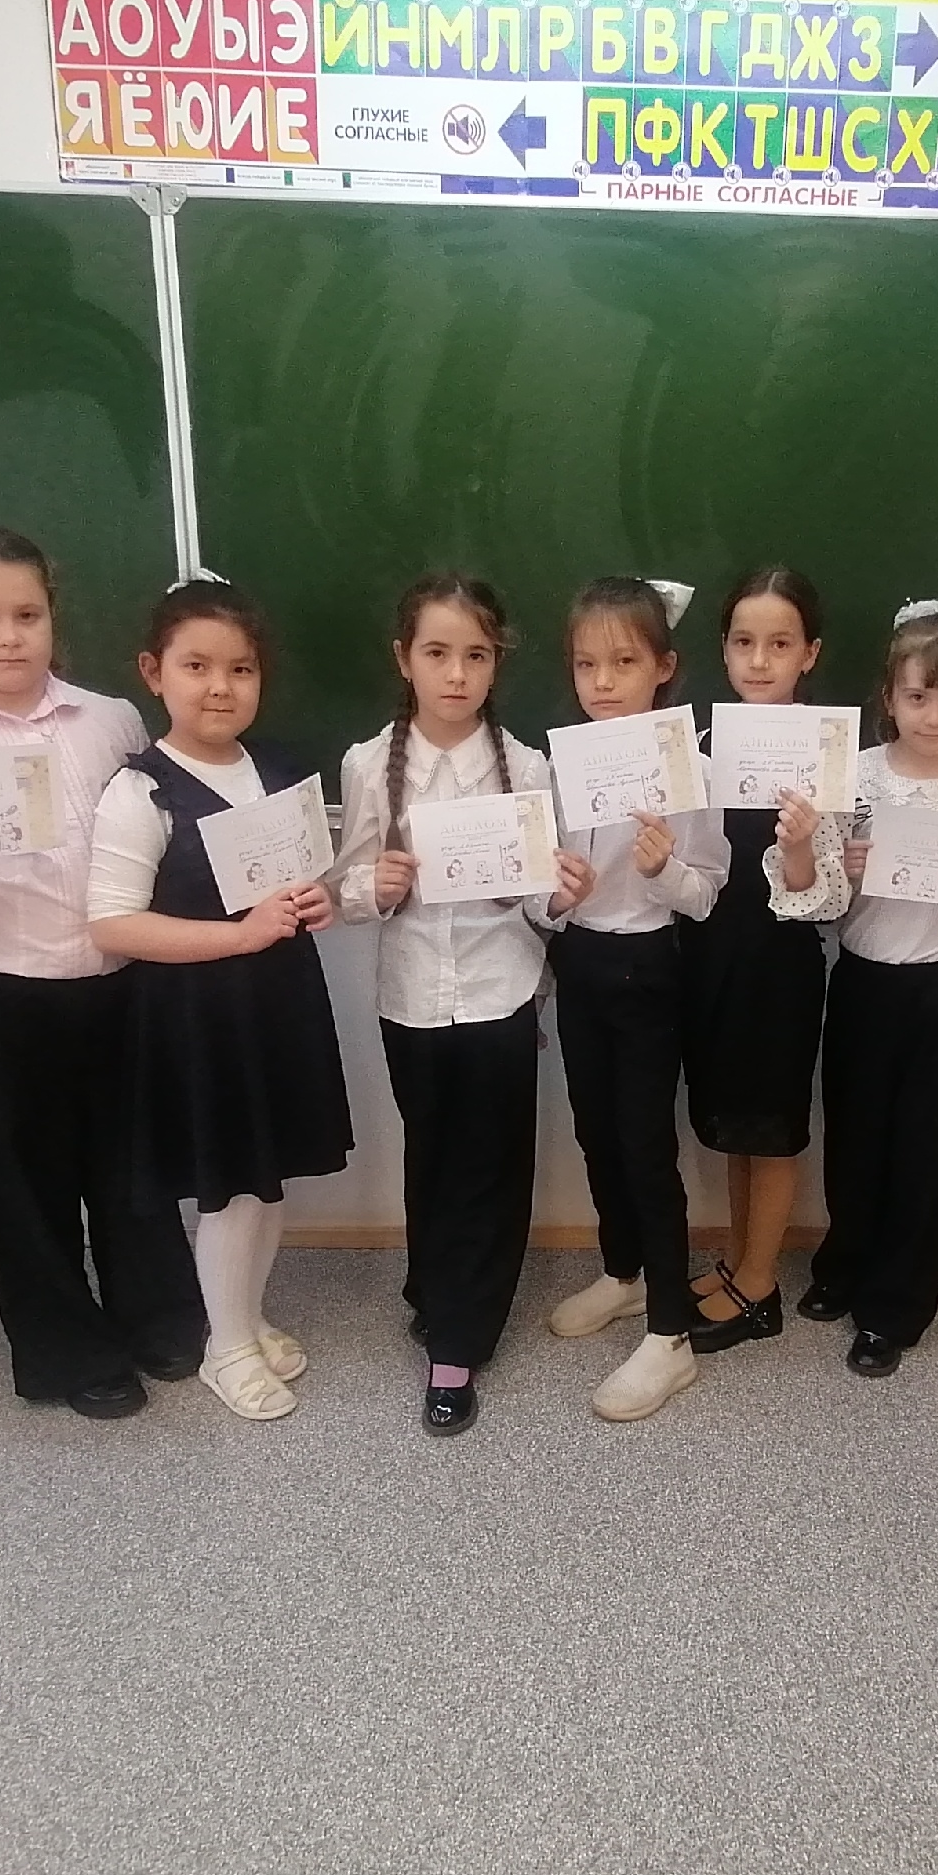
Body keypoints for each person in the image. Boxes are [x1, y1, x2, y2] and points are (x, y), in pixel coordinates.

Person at [0, 525, 202, 1421]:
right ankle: (68, 1352)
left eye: (27, 614)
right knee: (27, 1188)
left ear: (52, 616)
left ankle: (157, 1315)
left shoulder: (111, 720)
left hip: (119, 982)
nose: (9, 636)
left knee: (132, 1169)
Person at [328, 575, 589, 1433]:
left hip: (499, 992)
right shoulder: (370, 764)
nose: (456, 674)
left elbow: (540, 903)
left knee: (489, 1168)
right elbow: (344, 890)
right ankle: (436, 1288)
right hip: (408, 997)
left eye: (476, 655)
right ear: (403, 658)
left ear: (495, 663)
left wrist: (563, 895)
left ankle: (459, 1342)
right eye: (437, 653)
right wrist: (375, 886)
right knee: (432, 1155)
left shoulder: (528, 767)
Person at [88, 576, 352, 1423]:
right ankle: (225, 1347)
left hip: (278, 1005)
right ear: (153, 672)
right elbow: (113, 925)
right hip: (200, 1019)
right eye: (196, 666)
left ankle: (248, 1318)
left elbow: (307, 881)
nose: (219, 687)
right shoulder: (141, 790)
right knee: (230, 1190)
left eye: (240, 669)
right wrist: (240, 937)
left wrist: (319, 900)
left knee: (266, 1182)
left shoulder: (278, 770)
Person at [797, 603, 938, 1378]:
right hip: (863, 981)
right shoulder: (857, 775)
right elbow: (822, 893)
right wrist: (847, 868)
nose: (934, 714)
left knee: (927, 1151)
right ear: (889, 697)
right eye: (918, 695)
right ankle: (844, 1263)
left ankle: (894, 1307)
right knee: (854, 1138)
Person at [540, 577, 728, 1423]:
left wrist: (664, 870)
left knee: (647, 1148)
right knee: (596, 1132)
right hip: (580, 962)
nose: (603, 681)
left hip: (651, 967)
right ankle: (622, 1274)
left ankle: (670, 1333)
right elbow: (535, 889)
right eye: (587, 664)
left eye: (623, 662)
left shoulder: (692, 768)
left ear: (664, 667)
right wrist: (557, 896)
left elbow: (708, 893)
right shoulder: (558, 765)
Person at [679, 567, 839, 1356]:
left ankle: (761, 1286)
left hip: (779, 966)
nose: (759, 660)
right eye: (743, 642)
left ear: (810, 654)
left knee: (770, 1129)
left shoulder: (827, 754)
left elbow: (827, 898)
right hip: (712, 958)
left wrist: (802, 843)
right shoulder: (700, 750)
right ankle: (740, 1261)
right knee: (734, 1124)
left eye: (780, 644)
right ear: (724, 649)